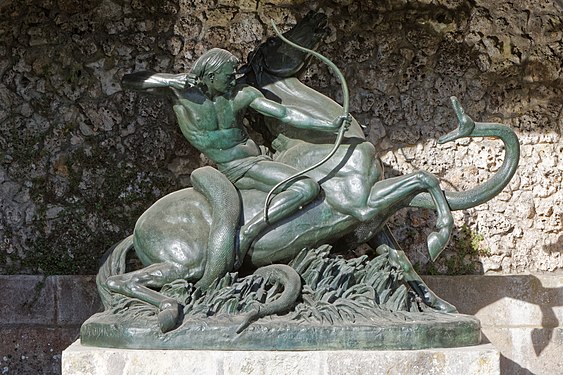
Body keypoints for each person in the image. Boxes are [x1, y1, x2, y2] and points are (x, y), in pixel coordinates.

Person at [122, 48, 348, 264]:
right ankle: (249, 233)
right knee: (306, 187)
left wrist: (328, 125)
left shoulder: (241, 94)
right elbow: (130, 81)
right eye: (228, 77)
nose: (234, 81)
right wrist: (169, 80)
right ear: (211, 76)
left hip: (257, 160)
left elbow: (283, 113)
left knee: (308, 187)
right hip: (236, 169)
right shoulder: (182, 94)